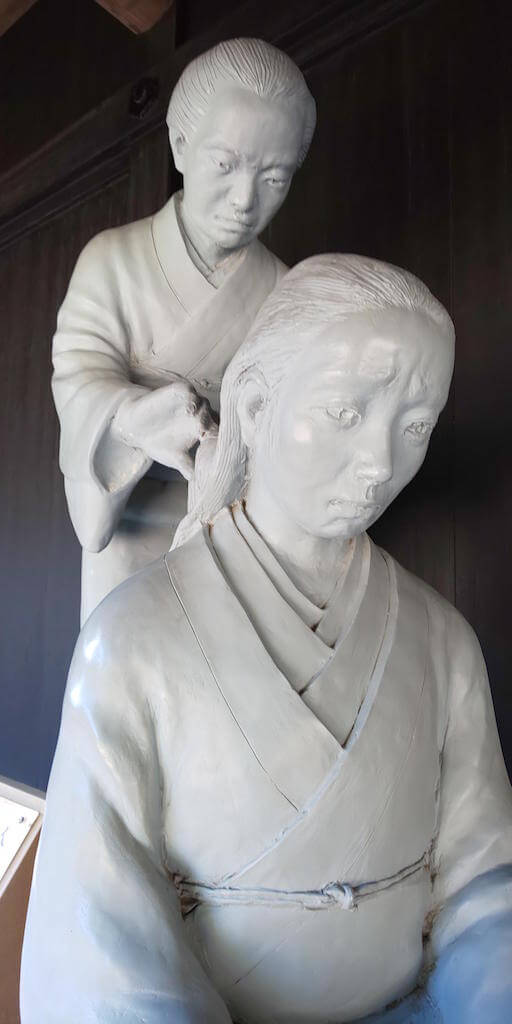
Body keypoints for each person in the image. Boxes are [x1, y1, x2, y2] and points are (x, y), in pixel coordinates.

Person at [22, 255, 512, 1023]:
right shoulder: (133, 639)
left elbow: (486, 888)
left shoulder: (443, 642)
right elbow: (101, 940)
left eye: (415, 426)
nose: (381, 463)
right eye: (346, 412)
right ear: (254, 403)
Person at [52, 37, 316, 622]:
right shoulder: (112, 261)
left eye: (274, 178)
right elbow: (78, 375)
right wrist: (132, 420)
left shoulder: (289, 295)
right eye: (224, 165)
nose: (245, 199)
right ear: (179, 145)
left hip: (239, 549)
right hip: (131, 531)